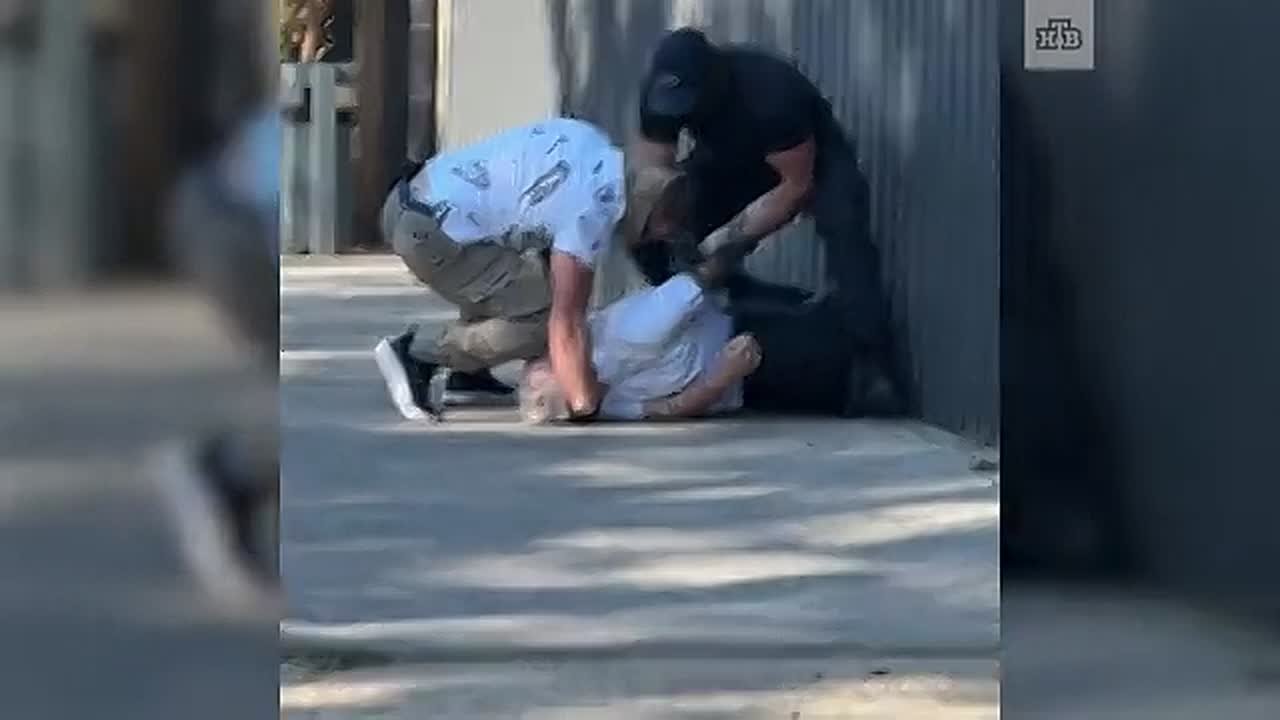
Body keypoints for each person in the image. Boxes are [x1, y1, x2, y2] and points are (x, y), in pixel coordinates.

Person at [629, 27, 902, 416]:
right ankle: (742, 309)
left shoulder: (769, 93)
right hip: (727, 160)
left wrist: (723, 243)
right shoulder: (661, 96)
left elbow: (795, 188)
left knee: (846, 232)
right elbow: (653, 180)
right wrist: (665, 226)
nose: (679, 111)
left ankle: (873, 366)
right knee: (653, 243)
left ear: (713, 81)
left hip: (806, 163)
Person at [374, 118, 625, 422]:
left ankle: (468, 375)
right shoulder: (595, 207)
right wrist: (584, 401)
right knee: (540, 320)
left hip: (412, 201)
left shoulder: (594, 142)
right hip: (428, 232)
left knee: (515, 284)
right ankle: (419, 353)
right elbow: (566, 321)